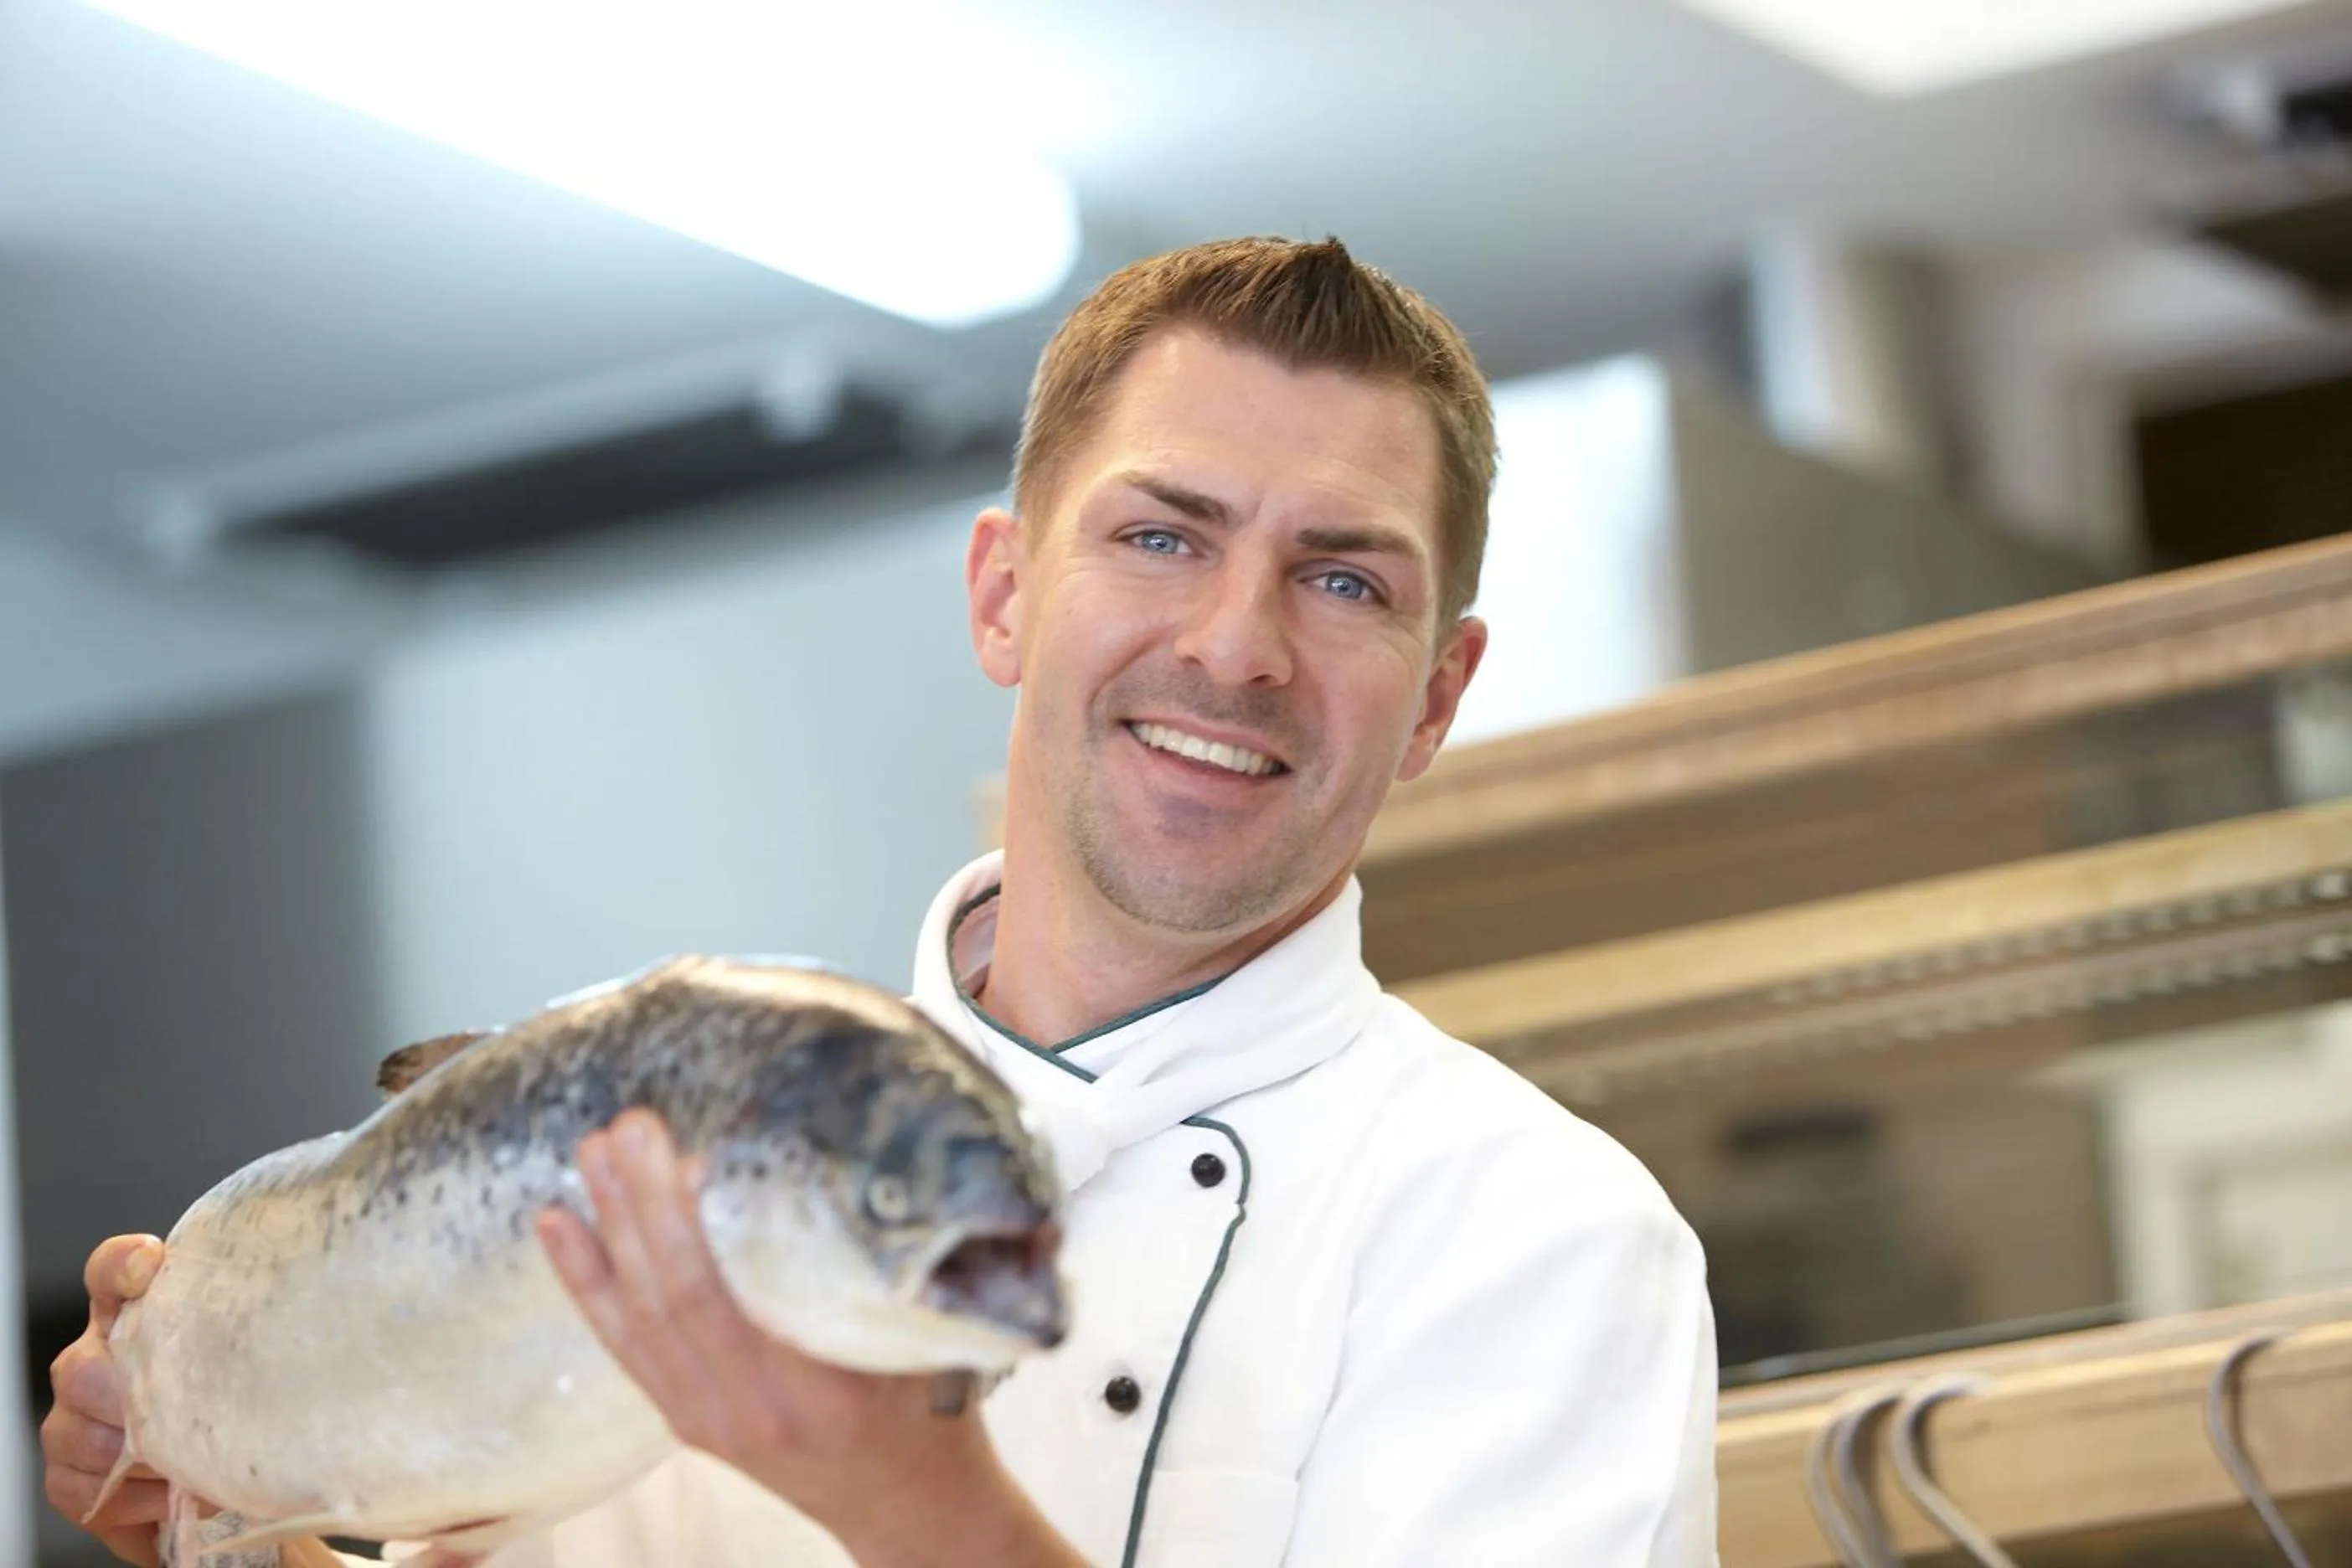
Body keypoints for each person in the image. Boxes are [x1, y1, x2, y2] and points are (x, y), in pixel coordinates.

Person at [44, 237, 1719, 1567]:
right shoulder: (688, 1148)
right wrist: (225, 1525)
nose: (1234, 644)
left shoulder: (1540, 1243)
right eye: (1160, 537)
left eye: (1344, 577)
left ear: (1436, 696)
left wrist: (908, 1502)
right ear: (1005, 593)